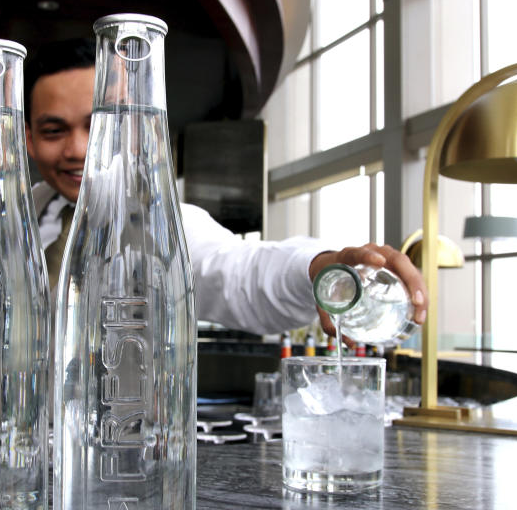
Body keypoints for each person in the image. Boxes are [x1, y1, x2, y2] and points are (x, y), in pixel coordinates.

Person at [24, 38, 427, 338]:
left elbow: (239, 272)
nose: (78, 150)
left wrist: (316, 267)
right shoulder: (11, 217)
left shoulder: (163, 224)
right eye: (54, 130)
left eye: (99, 127)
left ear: (129, 132)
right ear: (29, 137)